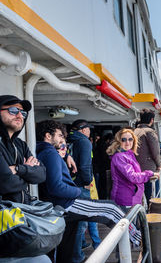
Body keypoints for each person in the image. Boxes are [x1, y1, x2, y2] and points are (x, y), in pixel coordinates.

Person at [36, 120, 141, 263]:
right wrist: (77, 191)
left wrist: (66, 156)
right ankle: (140, 240)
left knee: (67, 242)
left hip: (57, 205)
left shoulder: (42, 152)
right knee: (111, 209)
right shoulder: (50, 154)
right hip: (66, 203)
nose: (63, 140)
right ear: (48, 136)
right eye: (60, 135)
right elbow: (56, 187)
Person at [0, 95, 50, 263]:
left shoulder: (20, 145)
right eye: (13, 110)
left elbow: (41, 174)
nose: (19, 115)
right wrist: (27, 173)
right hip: (3, 224)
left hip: (21, 218)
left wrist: (18, 169)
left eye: (23, 113)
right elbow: (6, 183)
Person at [67, 119, 100, 262]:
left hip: (70, 185)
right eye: (88, 129)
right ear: (82, 129)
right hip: (81, 186)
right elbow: (85, 166)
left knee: (74, 223)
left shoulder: (69, 140)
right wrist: (87, 182)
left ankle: (78, 249)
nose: (90, 131)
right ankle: (77, 257)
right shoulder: (85, 142)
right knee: (81, 223)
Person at [106, 128, 159, 207]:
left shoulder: (129, 154)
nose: (127, 142)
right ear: (119, 141)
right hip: (125, 200)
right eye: (124, 140)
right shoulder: (119, 157)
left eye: (130, 139)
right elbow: (132, 177)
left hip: (133, 198)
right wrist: (150, 174)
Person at [134, 109, 161, 204]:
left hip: (136, 170)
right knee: (153, 195)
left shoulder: (135, 131)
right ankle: (154, 214)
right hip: (149, 170)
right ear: (152, 120)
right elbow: (156, 152)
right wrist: (159, 165)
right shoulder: (149, 132)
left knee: (140, 196)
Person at [93, 133, 113, 199]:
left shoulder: (98, 146)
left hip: (98, 169)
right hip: (104, 168)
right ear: (108, 140)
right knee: (105, 186)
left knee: (100, 185)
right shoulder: (105, 147)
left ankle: (101, 197)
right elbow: (105, 159)